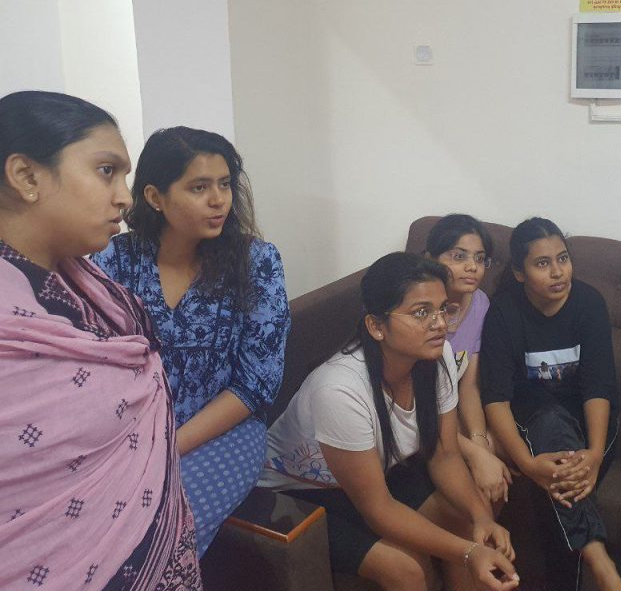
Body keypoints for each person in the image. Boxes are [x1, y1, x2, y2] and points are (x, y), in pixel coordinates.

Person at [0, 91, 201, 589]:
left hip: (157, 530)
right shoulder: (20, 315)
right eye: (106, 171)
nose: (124, 198)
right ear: (26, 177)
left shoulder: (89, 284)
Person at [260, 252, 519, 591]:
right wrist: (469, 554)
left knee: (470, 524)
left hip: (379, 471)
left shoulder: (438, 355)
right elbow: (378, 508)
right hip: (302, 492)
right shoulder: (339, 390)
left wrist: (481, 517)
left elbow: (445, 455)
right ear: (376, 326)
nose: (440, 323)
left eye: (443, 309)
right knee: (407, 570)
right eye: (421, 312)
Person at [93, 127, 290, 556]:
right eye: (199, 187)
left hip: (223, 433)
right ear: (155, 196)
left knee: (159, 535)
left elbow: (256, 383)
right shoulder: (113, 259)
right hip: (129, 432)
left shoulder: (257, 261)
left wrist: (168, 447)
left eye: (224, 184)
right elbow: (94, 366)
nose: (219, 200)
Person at [479, 218, 621, 591]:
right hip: (535, 421)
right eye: (542, 263)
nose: (558, 272)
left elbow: (598, 386)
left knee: (559, 479)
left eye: (563, 258)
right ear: (519, 272)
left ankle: (599, 566)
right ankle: (602, 565)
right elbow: (496, 399)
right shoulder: (503, 312)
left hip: (592, 422)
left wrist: (594, 454)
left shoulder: (589, 302)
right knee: (552, 434)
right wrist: (529, 466)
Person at [425, 214, 512, 505]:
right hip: (415, 418)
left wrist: (479, 441)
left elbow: (469, 386)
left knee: (494, 453)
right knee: (479, 472)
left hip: (447, 410)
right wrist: (474, 454)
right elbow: (416, 408)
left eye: (480, 258)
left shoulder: (480, 304)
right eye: (458, 256)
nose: (472, 267)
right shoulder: (419, 310)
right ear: (431, 259)